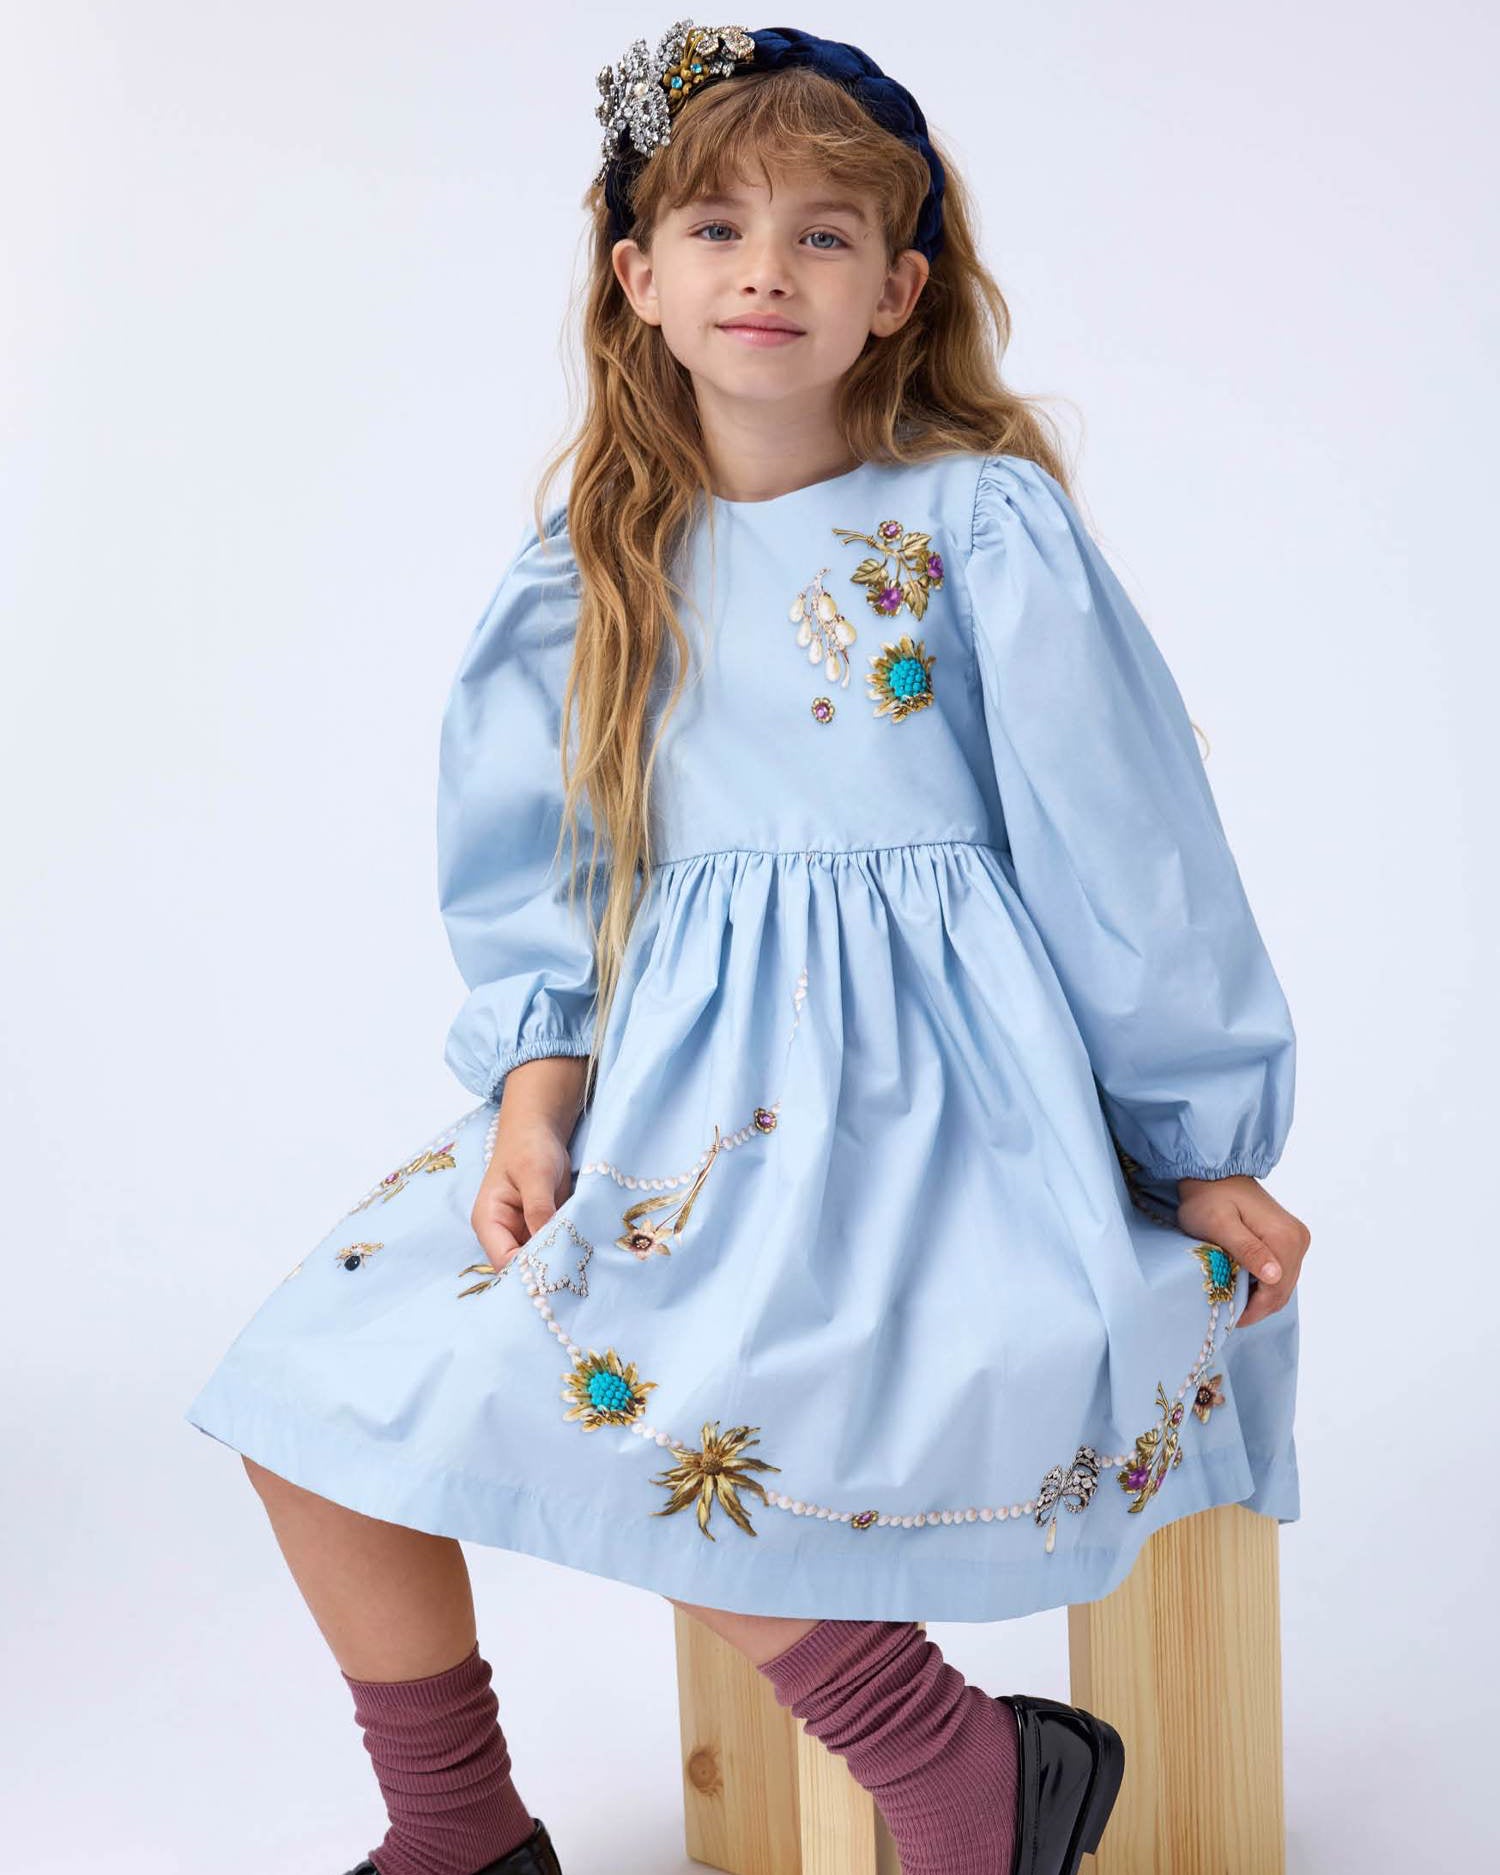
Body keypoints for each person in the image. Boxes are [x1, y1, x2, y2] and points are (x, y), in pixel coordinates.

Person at [183, 22, 1313, 1875]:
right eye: (714, 227)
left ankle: (950, 1771)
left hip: (926, 1113)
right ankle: (460, 1829)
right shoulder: (598, 557)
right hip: (667, 1105)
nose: (765, 269)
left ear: (901, 290)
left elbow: (1134, 860)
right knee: (310, 1382)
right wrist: (537, 1089)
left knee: (692, 1391)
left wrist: (1201, 1149)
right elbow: (538, 867)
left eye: (821, 235)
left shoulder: (978, 527)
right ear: (638, 280)